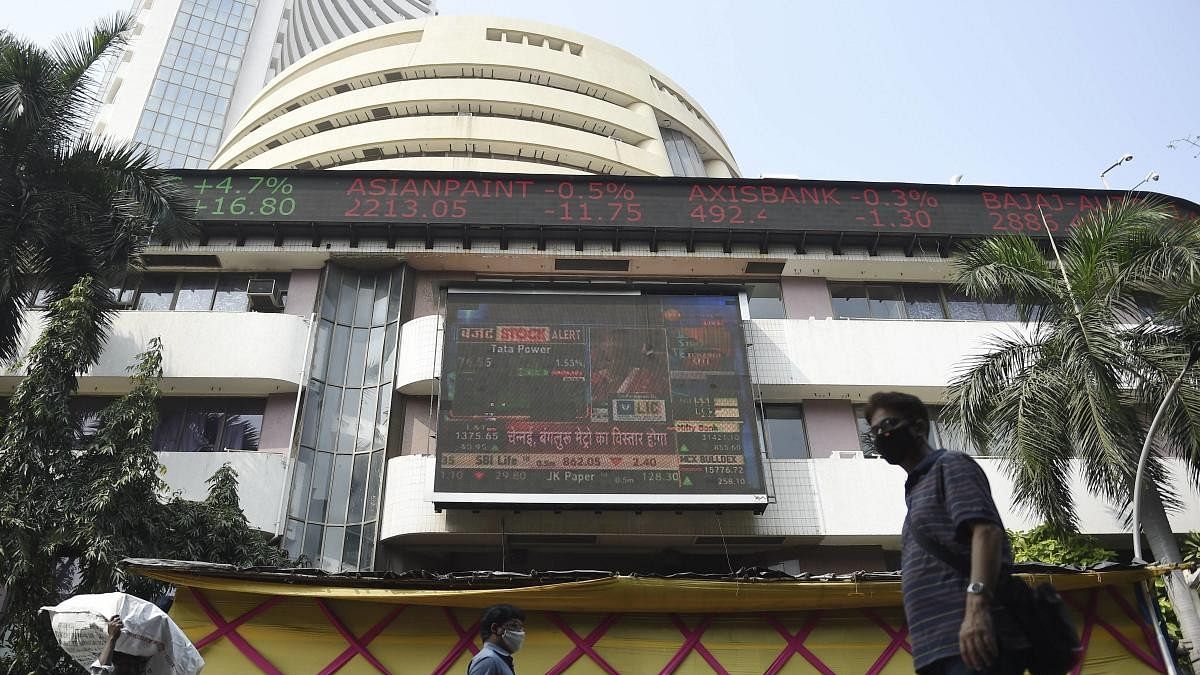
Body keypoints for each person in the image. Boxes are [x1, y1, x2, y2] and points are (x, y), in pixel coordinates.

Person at [865, 391, 1029, 675]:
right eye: (875, 431)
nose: (881, 435)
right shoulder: (916, 489)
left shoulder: (949, 465)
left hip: (972, 642)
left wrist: (976, 610)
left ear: (917, 427)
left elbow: (987, 532)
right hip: (937, 649)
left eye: (888, 424)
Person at [467, 604, 525, 675]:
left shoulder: (499, 659)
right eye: (514, 626)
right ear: (495, 628)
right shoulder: (488, 660)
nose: (520, 632)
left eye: (521, 627)